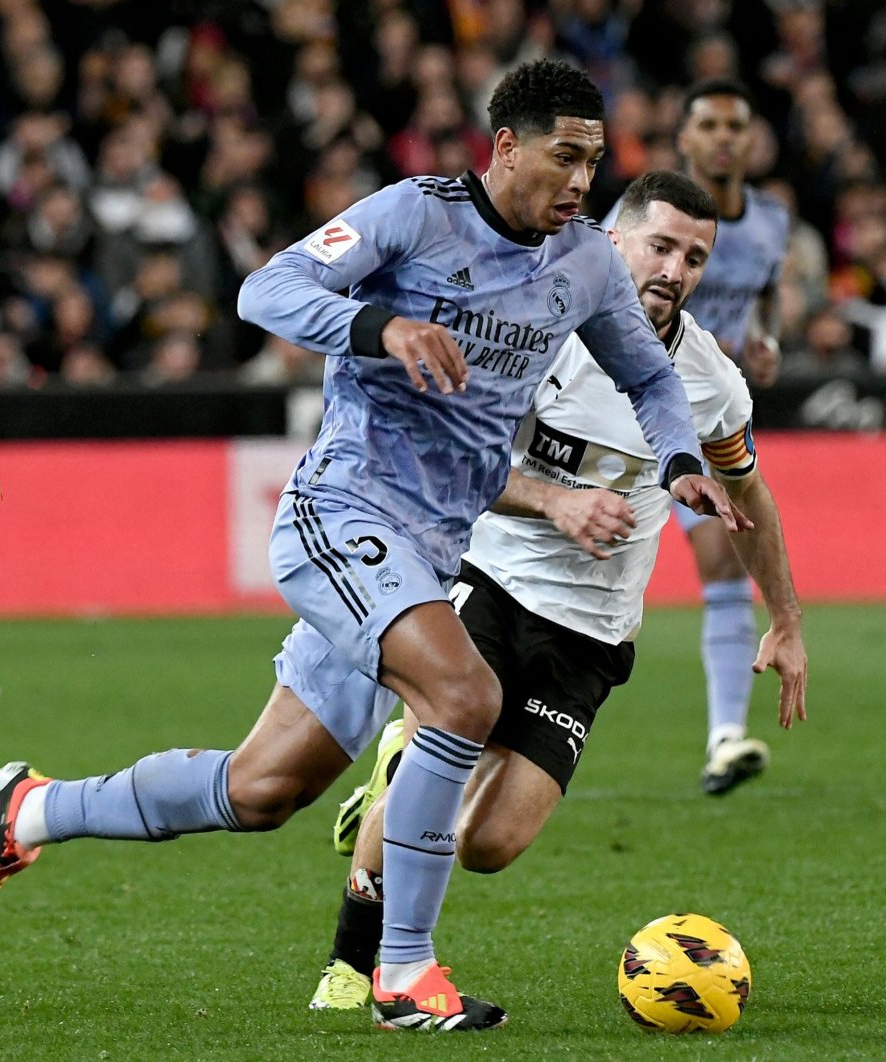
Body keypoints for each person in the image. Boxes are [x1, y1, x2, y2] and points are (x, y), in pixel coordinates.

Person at [0, 59, 746, 1035]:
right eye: (564, 158)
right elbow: (266, 291)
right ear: (505, 148)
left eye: (593, 161)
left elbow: (653, 383)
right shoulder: (415, 215)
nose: (581, 183)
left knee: (263, 788)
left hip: (432, 544)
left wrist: (673, 464)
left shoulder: (580, 263)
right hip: (346, 509)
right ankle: (402, 972)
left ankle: (29, 809)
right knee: (463, 695)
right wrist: (380, 325)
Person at [310, 170, 808, 1011]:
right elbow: (455, 461)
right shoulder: (532, 333)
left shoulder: (710, 381)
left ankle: (401, 773)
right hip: (491, 581)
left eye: (695, 257)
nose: (675, 269)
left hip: (593, 632)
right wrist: (554, 501)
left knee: (491, 846)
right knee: (430, 765)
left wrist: (787, 620)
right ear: (613, 241)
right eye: (660, 245)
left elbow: (748, 492)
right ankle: (354, 969)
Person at [604, 79, 792, 795]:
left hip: (710, 412)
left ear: (750, 140)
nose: (721, 137)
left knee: (722, 553)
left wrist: (765, 339)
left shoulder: (770, 222)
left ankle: (725, 737)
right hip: (620, 415)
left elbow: (767, 294)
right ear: (683, 138)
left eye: (733, 125)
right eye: (707, 124)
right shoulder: (646, 216)